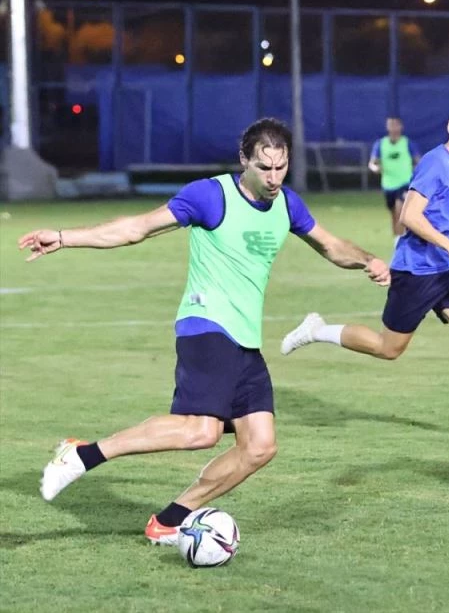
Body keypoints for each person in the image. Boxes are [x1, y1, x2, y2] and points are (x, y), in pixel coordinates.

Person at [19, 117, 390, 546]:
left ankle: (169, 520)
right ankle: (82, 454)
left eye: (281, 167)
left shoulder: (287, 205)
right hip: (206, 325)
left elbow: (331, 245)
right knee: (201, 431)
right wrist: (64, 237)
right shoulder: (210, 196)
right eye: (264, 167)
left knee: (259, 446)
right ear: (244, 160)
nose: (273, 178)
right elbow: (137, 228)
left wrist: (367, 259)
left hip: (245, 339)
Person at [282, 98, 449, 444]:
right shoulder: (436, 163)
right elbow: (409, 216)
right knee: (388, 348)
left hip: (445, 270)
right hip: (417, 271)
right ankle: (317, 330)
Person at [368, 117, 421, 243]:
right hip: (388, 185)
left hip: (405, 183)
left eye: (395, 125)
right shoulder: (381, 144)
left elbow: (418, 160)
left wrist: (418, 173)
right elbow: (372, 163)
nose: (393, 128)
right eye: (391, 125)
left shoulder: (407, 143)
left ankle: (401, 241)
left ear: (401, 127)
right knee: (393, 214)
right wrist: (375, 168)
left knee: (400, 210)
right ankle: (397, 239)